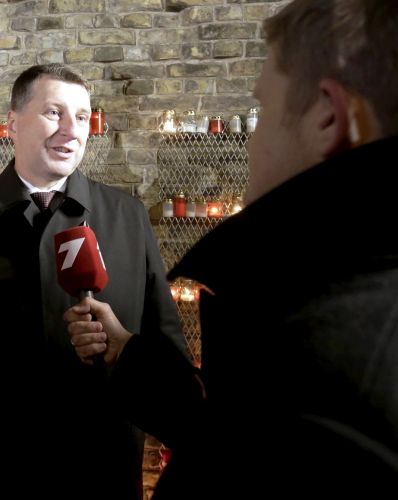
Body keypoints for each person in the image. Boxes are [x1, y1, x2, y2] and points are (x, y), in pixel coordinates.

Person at [65, 0, 398, 497]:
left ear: (328, 118)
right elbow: (235, 439)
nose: (254, 142)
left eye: (264, 111)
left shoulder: (328, 357)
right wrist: (127, 354)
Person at [0, 64, 201, 500]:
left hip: (103, 475)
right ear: (12, 123)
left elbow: (167, 350)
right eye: (53, 113)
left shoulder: (127, 216)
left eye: (81, 117)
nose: (71, 130)